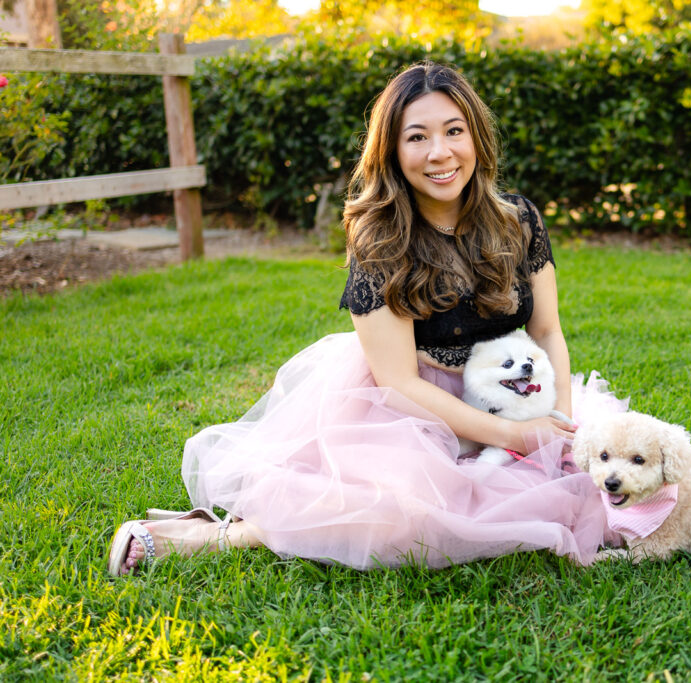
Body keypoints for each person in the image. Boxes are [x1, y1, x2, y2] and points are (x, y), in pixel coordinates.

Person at [108, 61, 626, 576]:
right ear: (393, 152)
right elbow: (398, 383)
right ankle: (219, 534)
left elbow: (546, 331)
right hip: (416, 413)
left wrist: (558, 425)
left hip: (518, 389)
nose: (440, 153)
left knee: (615, 486)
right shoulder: (380, 239)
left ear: (477, 137)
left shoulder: (519, 219)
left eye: (454, 131)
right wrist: (514, 438)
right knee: (407, 518)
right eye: (417, 137)